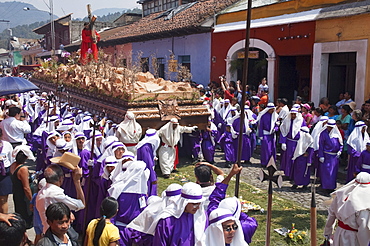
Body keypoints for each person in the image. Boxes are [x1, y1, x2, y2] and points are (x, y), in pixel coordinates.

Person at [208, 164, 258, 244]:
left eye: (234, 227)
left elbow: (216, 196)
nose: (232, 231)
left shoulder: (213, 214)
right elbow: (252, 222)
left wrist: (231, 174)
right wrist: (239, 212)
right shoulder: (244, 226)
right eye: (227, 228)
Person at [36, 164, 86, 233]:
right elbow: (81, 204)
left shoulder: (42, 192)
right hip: (57, 235)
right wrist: (77, 181)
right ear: (61, 178)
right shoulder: (55, 195)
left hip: (47, 231)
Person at [324, 172, 370, 246]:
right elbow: (364, 229)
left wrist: (327, 233)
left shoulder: (340, 195)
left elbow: (331, 216)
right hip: (354, 238)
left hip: (339, 233)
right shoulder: (363, 205)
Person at [10, 145, 36, 228]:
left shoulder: (13, 165)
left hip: (16, 195)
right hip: (24, 198)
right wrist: (32, 200)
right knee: (26, 219)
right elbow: (26, 188)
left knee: (19, 214)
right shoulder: (23, 169)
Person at [279, 108, 305, 180]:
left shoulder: (301, 121)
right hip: (289, 142)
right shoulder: (286, 121)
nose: (293, 115)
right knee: (288, 158)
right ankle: (288, 173)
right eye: (292, 114)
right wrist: (283, 142)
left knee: (296, 158)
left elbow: (304, 131)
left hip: (297, 142)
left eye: (294, 114)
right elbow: (283, 132)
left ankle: (294, 174)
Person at [318, 119, 343, 192]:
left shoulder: (337, 134)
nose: (329, 128)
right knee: (326, 172)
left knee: (333, 172)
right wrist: (321, 155)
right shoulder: (323, 134)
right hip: (326, 155)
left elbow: (341, 143)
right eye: (328, 127)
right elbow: (321, 145)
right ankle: (325, 186)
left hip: (334, 157)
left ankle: (331, 186)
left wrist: (339, 151)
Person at [136, 128, 160, 196]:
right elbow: (148, 164)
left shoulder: (147, 145)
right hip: (147, 173)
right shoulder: (145, 147)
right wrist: (153, 178)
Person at [257, 103, 278, 167]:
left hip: (272, 135)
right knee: (266, 149)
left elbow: (277, 125)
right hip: (265, 135)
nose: (272, 110)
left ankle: (272, 162)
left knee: (272, 149)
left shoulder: (275, 116)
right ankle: (264, 162)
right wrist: (260, 135)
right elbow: (261, 126)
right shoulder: (263, 116)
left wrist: (275, 129)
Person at [0, 128, 14, 214]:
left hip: (5, 173)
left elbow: (11, 159)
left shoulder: (7, 145)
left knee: (3, 199)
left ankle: (4, 220)